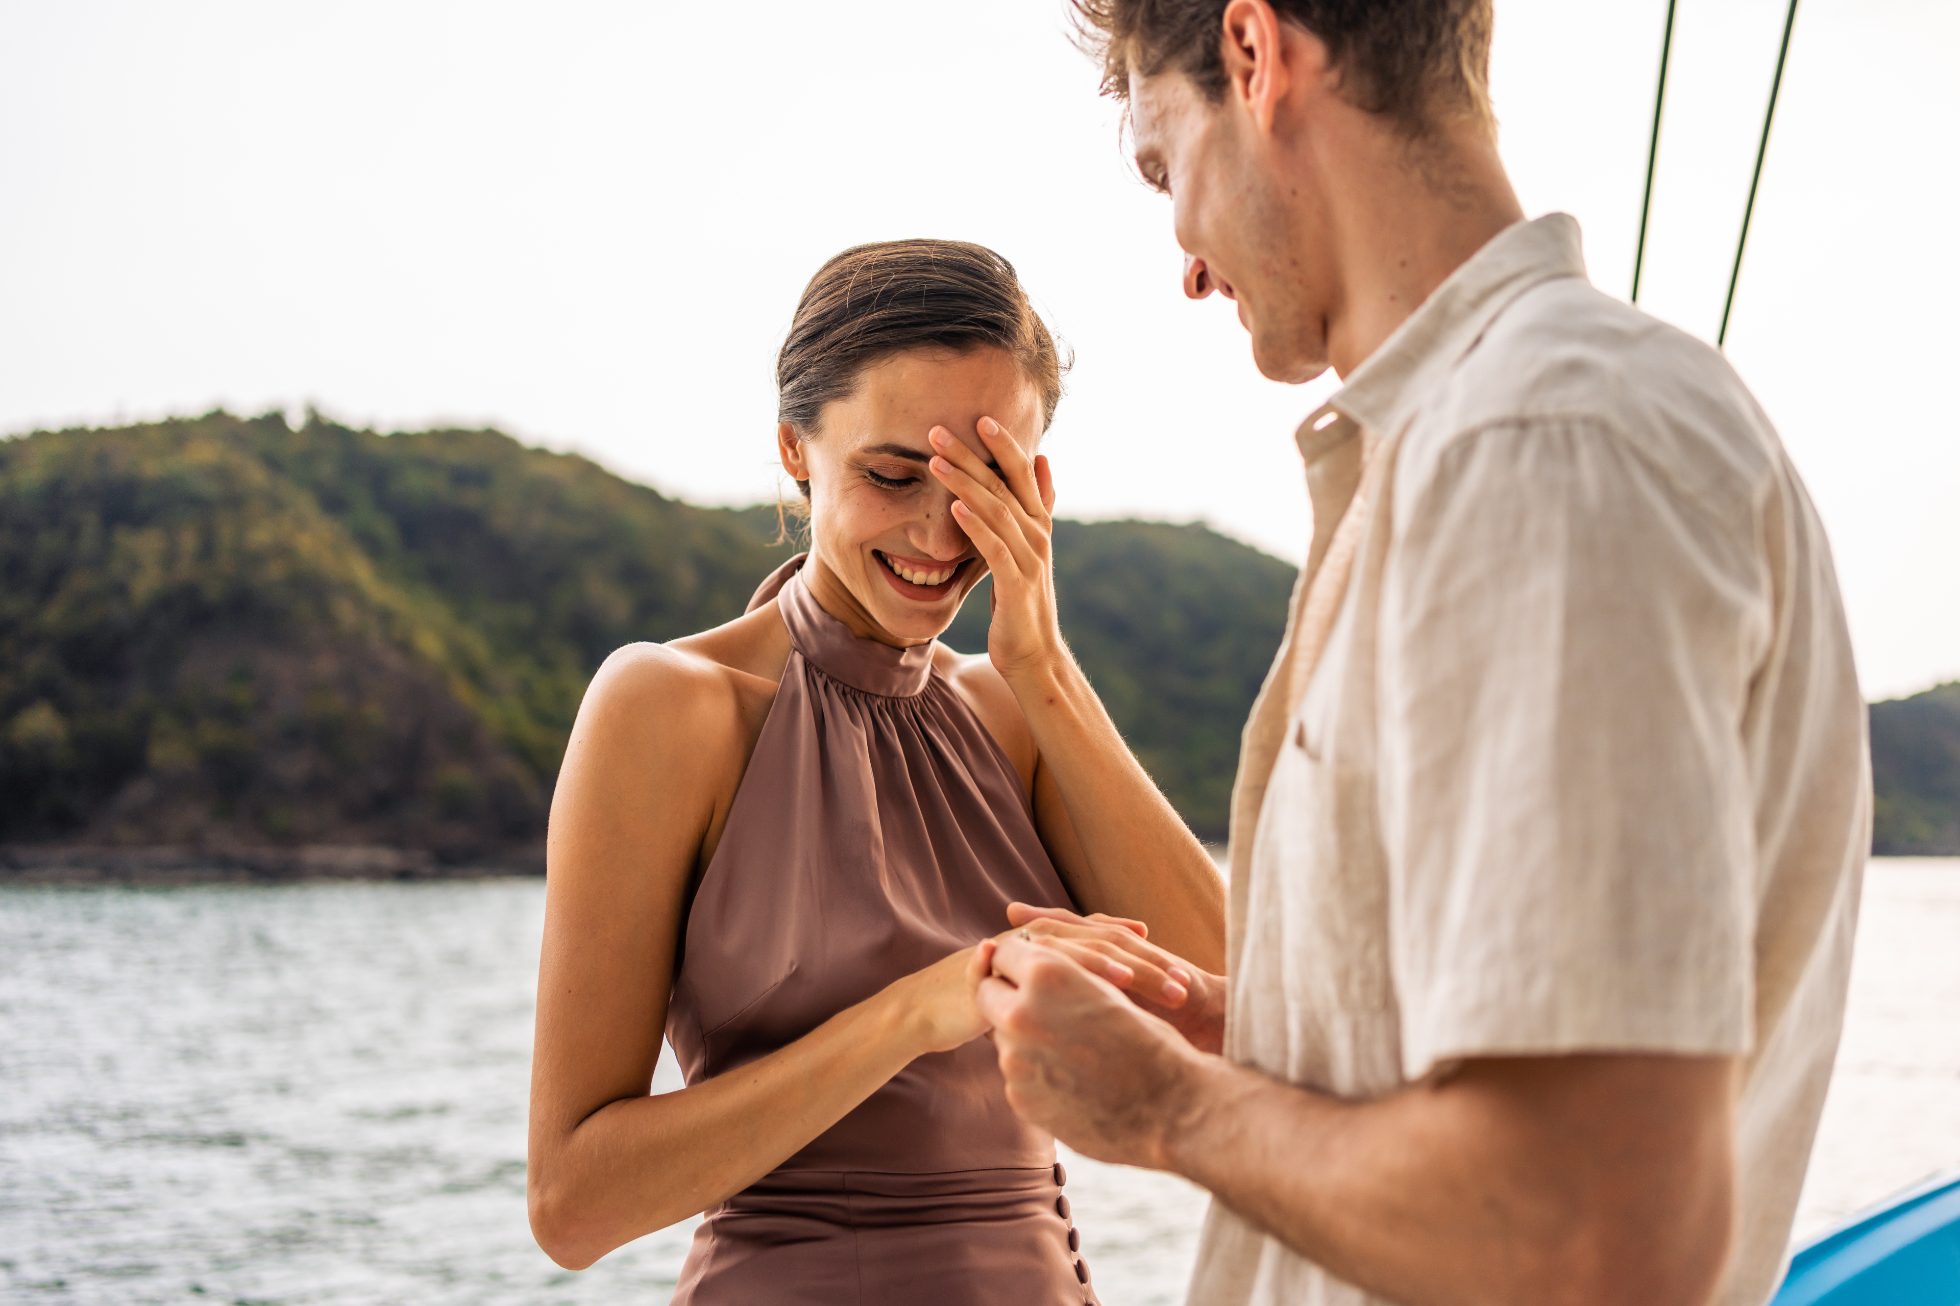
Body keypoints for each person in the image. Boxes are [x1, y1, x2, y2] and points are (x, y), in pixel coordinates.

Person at [972, 3, 1873, 1305]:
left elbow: (1595, 1233)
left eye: (1166, 166)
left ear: (1254, 56)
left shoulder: (1541, 446)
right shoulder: (1516, 437)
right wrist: (1258, 1036)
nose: (1186, 261)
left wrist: (1165, 1105)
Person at [524, 237, 1226, 1303]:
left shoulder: (1018, 714)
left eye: (981, 481)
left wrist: (1042, 667)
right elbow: (573, 1204)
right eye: (894, 474)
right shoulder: (671, 709)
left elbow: (1243, 1021)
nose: (939, 533)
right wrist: (918, 1010)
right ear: (794, 450)